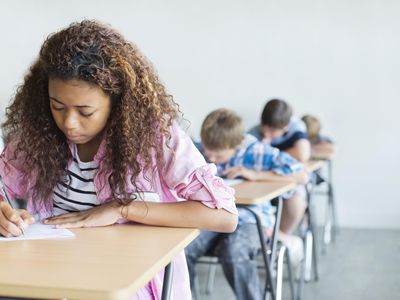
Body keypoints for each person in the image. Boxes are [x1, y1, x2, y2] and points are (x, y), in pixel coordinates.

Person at [0, 20, 238, 300]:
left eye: (85, 111)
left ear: (117, 102)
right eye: (58, 106)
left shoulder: (156, 136)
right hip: (54, 275)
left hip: (127, 283)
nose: (69, 123)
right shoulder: (39, 132)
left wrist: (123, 209)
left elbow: (224, 216)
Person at [185, 109, 308, 300]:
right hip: (213, 217)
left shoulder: (257, 151)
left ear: (237, 145)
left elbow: (301, 175)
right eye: (208, 153)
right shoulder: (200, 150)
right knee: (182, 249)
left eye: (218, 156)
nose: (211, 160)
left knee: (234, 252)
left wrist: (256, 175)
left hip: (250, 219)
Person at [248, 98, 310, 236]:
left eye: (273, 131)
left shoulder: (296, 126)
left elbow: (302, 155)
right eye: (265, 128)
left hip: (288, 179)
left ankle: (280, 238)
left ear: (286, 127)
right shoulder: (254, 132)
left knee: (296, 200)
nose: (267, 134)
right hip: (264, 181)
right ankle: (268, 237)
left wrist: (269, 150)